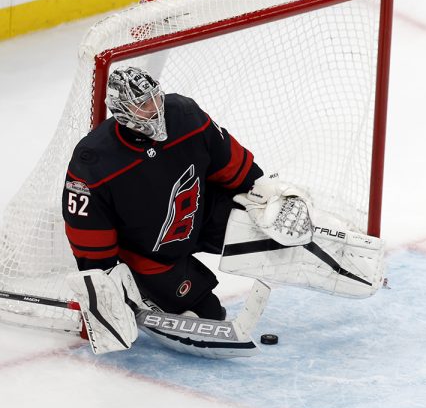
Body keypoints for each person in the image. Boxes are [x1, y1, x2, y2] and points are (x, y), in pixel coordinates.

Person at [62, 66, 385, 357]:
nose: (155, 108)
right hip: (152, 255)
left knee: (271, 225)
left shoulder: (184, 115)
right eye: (143, 104)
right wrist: (107, 286)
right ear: (121, 110)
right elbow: (90, 239)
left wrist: (262, 192)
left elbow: (231, 164)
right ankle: (157, 292)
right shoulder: (94, 161)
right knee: (210, 314)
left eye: (155, 98)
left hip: (203, 216)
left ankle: (343, 265)